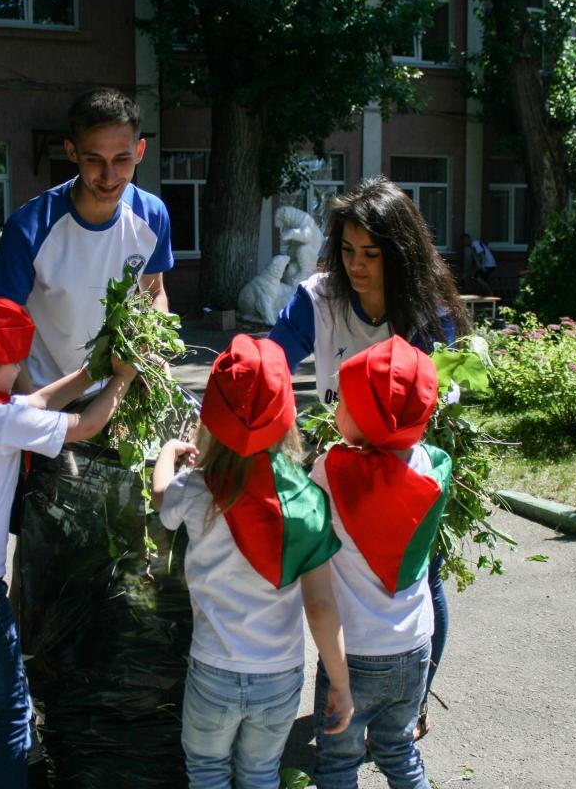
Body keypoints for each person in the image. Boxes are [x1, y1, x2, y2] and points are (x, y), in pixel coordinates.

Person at [0, 296, 138, 788]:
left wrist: (90, 371)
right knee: (11, 705)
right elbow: (89, 425)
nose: (21, 369)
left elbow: (37, 403)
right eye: (14, 362)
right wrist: (122, 378)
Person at [269, 177, 468, 740]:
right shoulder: (320, 298)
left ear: (400, 255)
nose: (357, 266)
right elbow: (274, 361)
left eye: (372, 255)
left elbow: (443, 394)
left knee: (418, 580)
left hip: (406, 471)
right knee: (333, 585)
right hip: (341, 466)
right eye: (349, 251)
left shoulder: (428, 313)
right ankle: (342, 689)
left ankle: (410, 702)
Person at [151, 335, 354, 789]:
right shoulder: (306, 503)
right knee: (261, 774)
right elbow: (321, 609)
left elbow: (161, 499)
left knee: (206, 773)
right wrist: (339, 683)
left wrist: (168, 453)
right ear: (287, 420)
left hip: (212, 669)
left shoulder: (196, 488)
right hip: (279, 676)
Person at [310, 336, 452, 789]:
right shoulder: (434, 467)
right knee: (398, 752)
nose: (336, 409)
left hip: (354, 655)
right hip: (415, 646)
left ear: (367, 419)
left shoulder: (330, 471)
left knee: (337, 763)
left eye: (343, 402)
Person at [0, 87, 173, 394]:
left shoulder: (152, 215)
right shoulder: (29, 227)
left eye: (122, 158)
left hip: (120, 393)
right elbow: (4, 327)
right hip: (46, 395)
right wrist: (32, 410)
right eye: (94, 159)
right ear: (71, 151)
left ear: (140, 151)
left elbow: (154, 293)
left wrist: (155, 350)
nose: (109, 175)